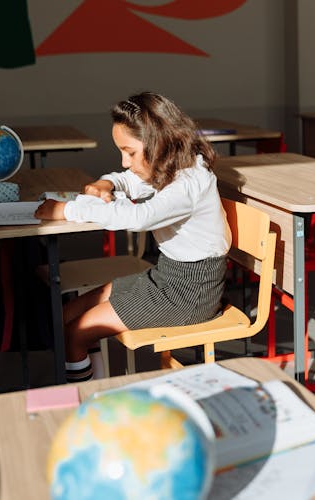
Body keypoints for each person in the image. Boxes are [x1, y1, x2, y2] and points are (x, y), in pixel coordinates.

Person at [35, 92, 231, 381]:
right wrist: (107, 182)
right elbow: (130, 180)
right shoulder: (171, 165)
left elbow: (138, 218)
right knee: (66, 316)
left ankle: (89, 404)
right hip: (166, 277)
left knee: (76, 333)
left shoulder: (189, 182)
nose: (125, 162)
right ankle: (97, 387)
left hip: (189, 294)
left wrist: (68, 210)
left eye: (130, 152)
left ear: (158, 142)